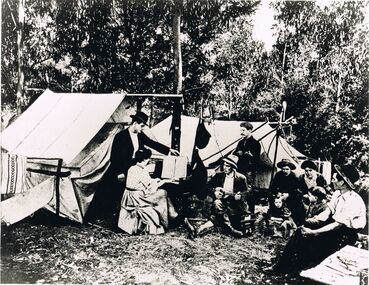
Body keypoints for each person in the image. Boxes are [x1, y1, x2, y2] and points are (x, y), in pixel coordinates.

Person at [272, 164, 367, 274]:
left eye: (334, 178)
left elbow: (337, 225)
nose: (332, 180)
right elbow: (328, 212)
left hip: (346, 234)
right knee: (301, 230)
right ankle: (283, 266)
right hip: (335, 226)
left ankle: (298, 267)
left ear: (342, 183)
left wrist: (314, 232)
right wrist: (312, 221)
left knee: (315, 242)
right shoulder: (337, 193)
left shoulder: (353, 200)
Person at [108, 111, 179, 218]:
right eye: (141, 126)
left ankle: (137, 214)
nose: (142, 129)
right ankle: (121, 217)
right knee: (121, 193)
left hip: (135, 168)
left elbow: (152, 143)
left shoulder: (140, 135)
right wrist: (119, 172)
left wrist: (169, 150)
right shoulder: (120, 136)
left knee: (137, 191)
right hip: (122, 168)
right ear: (135, 123)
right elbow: (114, 157)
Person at [184, 155, 250, 238]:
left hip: (235, 206)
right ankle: (230, 230)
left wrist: (241, 196)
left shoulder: (241, 178)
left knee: (217, 218)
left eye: (227, 166)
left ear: (233, 167)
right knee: (217, 203)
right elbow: (206, 187)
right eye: (224, 164)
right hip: (222, 204)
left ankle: (199, 229)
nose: (224, 167)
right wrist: (215, 191)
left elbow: (247, 192)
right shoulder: (219, 176)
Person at [118, 148, 178, 235]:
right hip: (137, 197)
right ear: (145, 159)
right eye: (149, 158)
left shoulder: (132, 168)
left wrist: (156, 180)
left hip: (129, 195)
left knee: (162, 192)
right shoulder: (142, 170)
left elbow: (143, 182)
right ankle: (170, 217)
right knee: (163, 193)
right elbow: (150, 187)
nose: (149, 160)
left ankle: (172, 215)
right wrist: (165, 181)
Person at [233, 121, 261, 213]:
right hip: (239, 170)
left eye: (243, 130)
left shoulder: (256, 143)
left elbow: (257, 160)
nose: (241, 132)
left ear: (250, 131)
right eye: (240, 130)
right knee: (238, 190)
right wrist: (238, 153)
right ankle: (240, 210)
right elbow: (234, 154)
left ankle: (251, 212)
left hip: (249, 171)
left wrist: (249, 156)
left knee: (249, 191)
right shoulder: (240, 142)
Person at [269, 158, 305, 226]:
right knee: (273, 200)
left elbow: (297, 190)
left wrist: (288, 194)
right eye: (283, 169)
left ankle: (293, 220)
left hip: (292, 195)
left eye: (287, 169)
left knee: (296, 202)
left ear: (290, 169)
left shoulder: (294, 176)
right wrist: (277, 192)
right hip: (280, 195)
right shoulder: (278, 175)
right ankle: (275, 218)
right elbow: (273, 187)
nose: (285, 171)